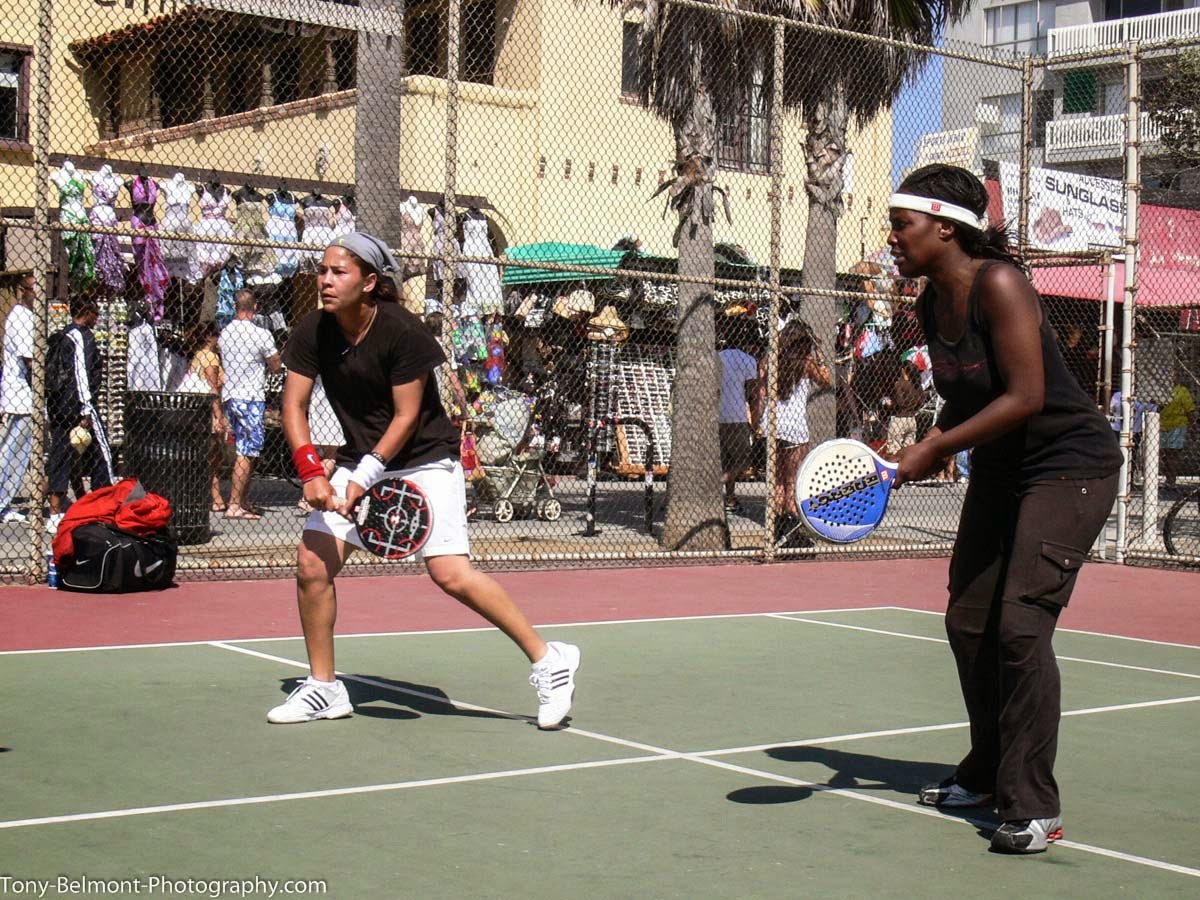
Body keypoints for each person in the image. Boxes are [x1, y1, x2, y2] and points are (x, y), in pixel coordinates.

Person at [887, 164, 1122, 854]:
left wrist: (936, 451)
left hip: (1067, 465)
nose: (892, 239)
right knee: (968, 620)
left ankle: (1033, 804)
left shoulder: (1000, 283)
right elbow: (967, 396)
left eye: (902, 226)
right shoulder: (932, 302)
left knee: (1020, 626)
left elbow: (1024, 395)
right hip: (1001, 466)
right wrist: (925, 442)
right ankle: (987, 769)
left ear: (944, 227)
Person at [268, 232, 580, 728]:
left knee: (449, 573)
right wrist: (310, 470)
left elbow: (407, 416)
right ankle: (325, 688)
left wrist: (363, 478)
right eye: (323, 271)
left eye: (339, 272)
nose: (326, 280)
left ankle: (549, 659)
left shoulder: (401, 329)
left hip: (426, 459)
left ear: (369, 282)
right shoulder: (312, 330)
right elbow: (294, 406)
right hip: (358, 458)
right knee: (312, 564)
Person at [46, 295, 115, 532]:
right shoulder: (82, 338)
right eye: (95, 312)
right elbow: (83, 376)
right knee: (101, 453)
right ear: (86, 312)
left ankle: (57, 508)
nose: (97, 318)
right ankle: (104, 504)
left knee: (61, 454)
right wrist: (86, 410)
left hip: (58, 407)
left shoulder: (62, 335)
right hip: (77, 406)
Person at [757, 320, 830, 543]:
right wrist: (819, 353)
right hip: (795, 426)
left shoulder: (769, 361)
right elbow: (826, 380)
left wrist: (758, 421)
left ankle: (776, 530)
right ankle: (791, 532)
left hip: (773, 423)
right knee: (792, 481)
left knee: (777, 481)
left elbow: (761, 393)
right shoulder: (806, 362)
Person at [218, 290, 281, 520]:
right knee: (247, 450)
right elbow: (275, 365)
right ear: (255, 307)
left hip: (231, 394)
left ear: (235, 306)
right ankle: (235, 504)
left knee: (246, 449)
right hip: (251, 396)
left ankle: (243, 499)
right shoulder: (261, 334)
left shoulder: (225, 333)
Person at [0, 274, 36, 522]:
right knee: (12, 451)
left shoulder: (27, 315)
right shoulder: (22, 317)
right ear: (25, 291)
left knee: (16, 451)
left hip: (22, 394)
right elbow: (30, 359)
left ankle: (4, 500)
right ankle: (1, 500)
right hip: (20, 394)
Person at [186, 322, 228, 512]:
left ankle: (209, 495)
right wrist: (219, 416)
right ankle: (215, 496)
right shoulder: (210, 358)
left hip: (197, 410)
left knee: (208, 455)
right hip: (209, 410)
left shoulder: (197, 356)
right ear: (211, 337)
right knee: (213, 455)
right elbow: (213, 389)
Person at [717, 324, 759, 514]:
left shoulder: (717, 357)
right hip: (737, 415)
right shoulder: (748, 360)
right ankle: (718, 485)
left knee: (726, 459)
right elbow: (752, 392)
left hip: (718, 415)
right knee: (743, 460)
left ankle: (730, 497)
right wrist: (755, 418)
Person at [1158, 370, 1195, 494]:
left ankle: (1171, 480)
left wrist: (1193, 427)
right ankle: (1166, 479)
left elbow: (1189, 411)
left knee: (1173, 454)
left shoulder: (1182, 391)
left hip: (1178, 426)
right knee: (1163, 454)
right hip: (1161, 425)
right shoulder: (1161, 390)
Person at [884, 358, 925, 458]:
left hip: (899, 418)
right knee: (909, 451)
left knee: (894, 451)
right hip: (912, 419)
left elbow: (900, 402)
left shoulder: (900, 384)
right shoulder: (917, 385)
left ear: (903, 370)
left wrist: (890, 403)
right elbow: (921, 401)